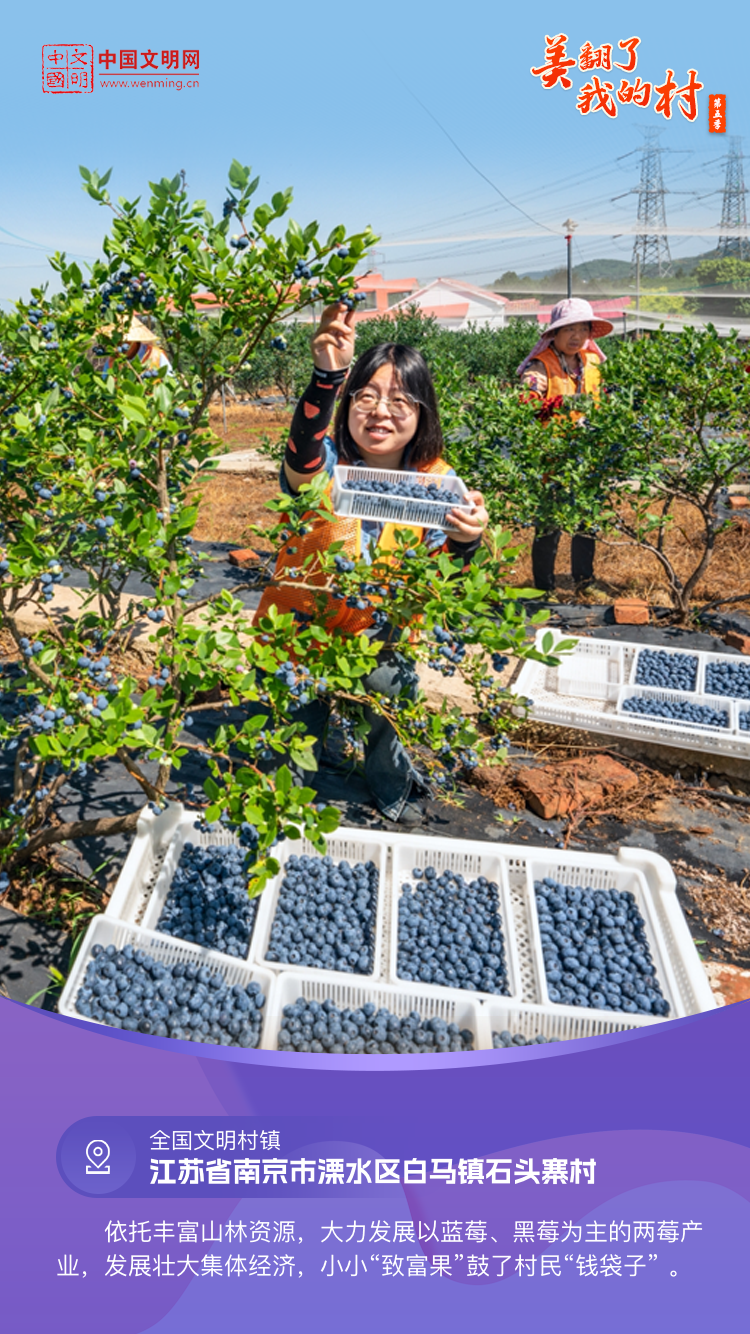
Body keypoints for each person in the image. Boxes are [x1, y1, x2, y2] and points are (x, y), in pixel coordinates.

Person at [253, 301, 489, 824]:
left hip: (382, 632)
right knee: (296, 722)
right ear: (348, 404)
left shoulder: (436, 483)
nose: (381, 411)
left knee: (389, 701)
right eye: (367, 396)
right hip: (302, 626)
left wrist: (465, 542)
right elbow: (301, 455)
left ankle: (391, 780)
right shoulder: (325, 464)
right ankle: (286, 788)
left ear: (423, 413)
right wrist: (327, 377)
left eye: (400, 400)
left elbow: (445, 580)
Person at [517, 297, 613, 593]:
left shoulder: (593, 363)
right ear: (554, 333)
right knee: (549, 523)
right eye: (569, 329)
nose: (576, 336)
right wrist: (562, 404)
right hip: (553, 457)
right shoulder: (540, 366)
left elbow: (606, 400)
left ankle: (584, 581)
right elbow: (527, 404)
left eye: (583, 329)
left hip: (588, 454)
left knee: (587, 519)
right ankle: (543, 588)